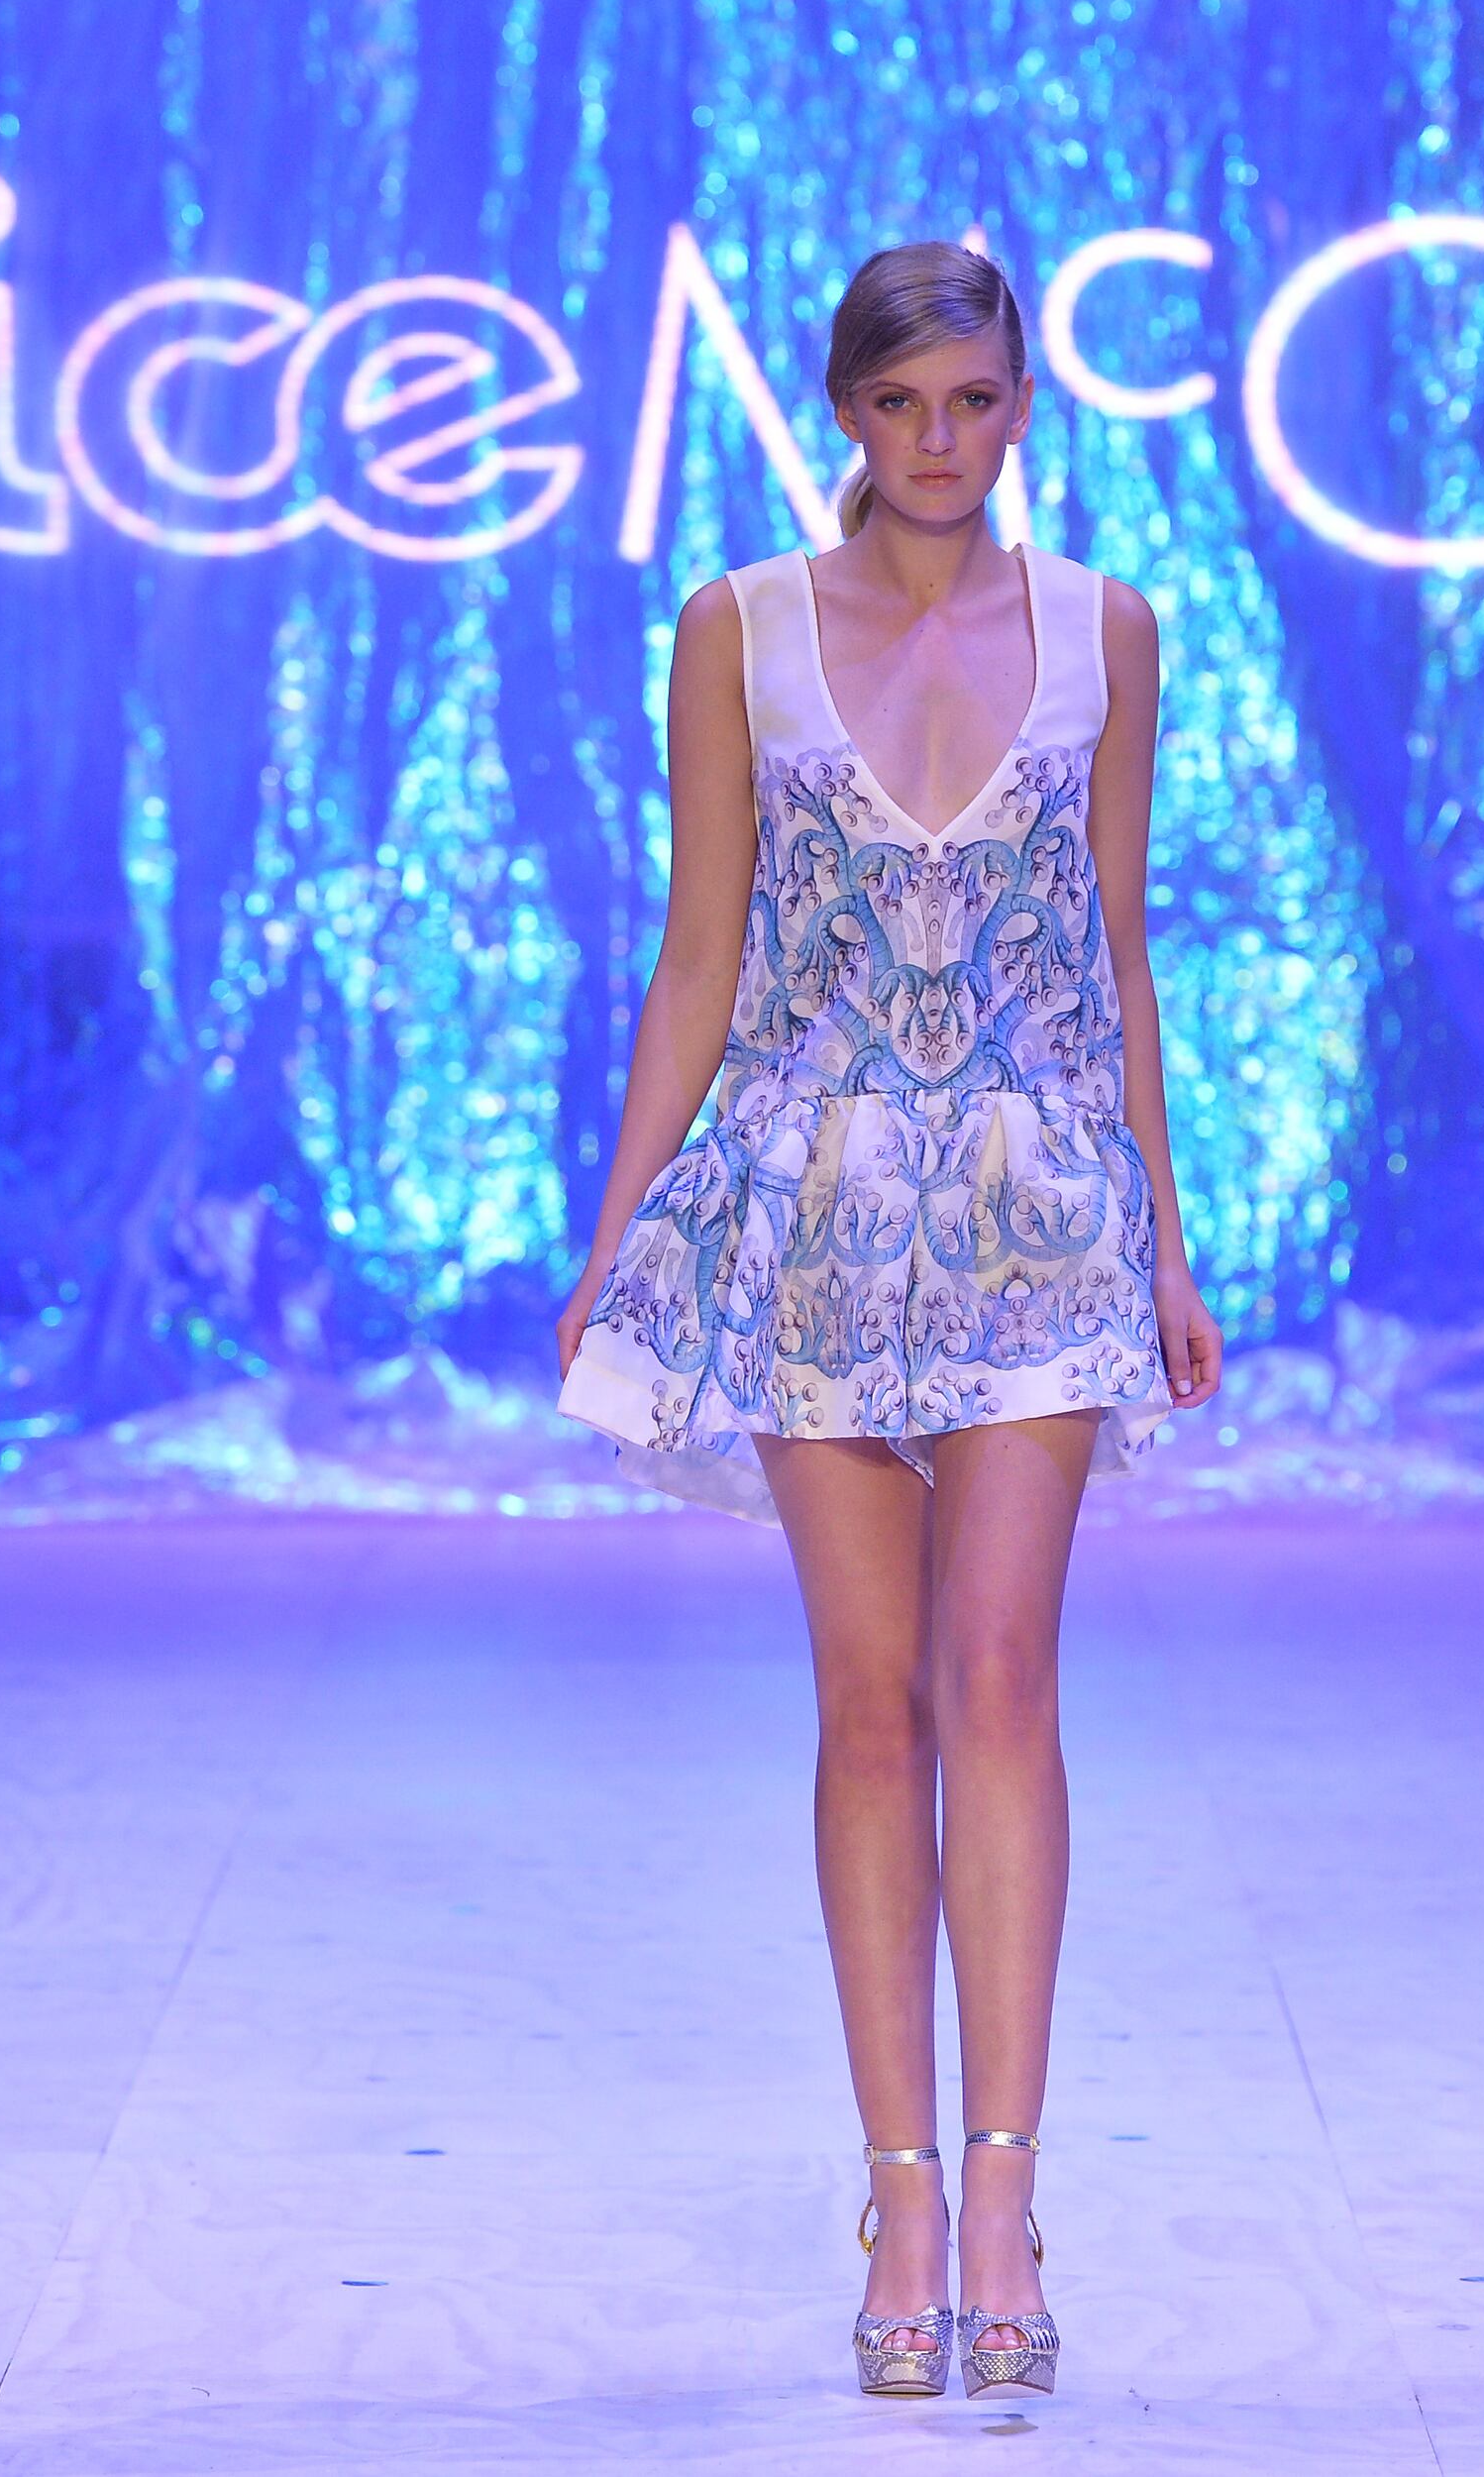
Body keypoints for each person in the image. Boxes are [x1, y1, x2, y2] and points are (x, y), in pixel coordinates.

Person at [553, 239, 1224, 2403]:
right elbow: (698, 953)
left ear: (1026, 408)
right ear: (847, 414)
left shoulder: (1107, 634)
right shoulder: (734, 636)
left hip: (1041, 1200)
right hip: (815, 1199)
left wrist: (1174, 1238)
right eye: (904, 405)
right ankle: (904, 2195)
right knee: (869, 1709)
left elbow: (1117, 955)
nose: (943, 442)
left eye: (979, 403)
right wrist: (624, 1219)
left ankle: (1013, 2200)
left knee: (1000, 1671)